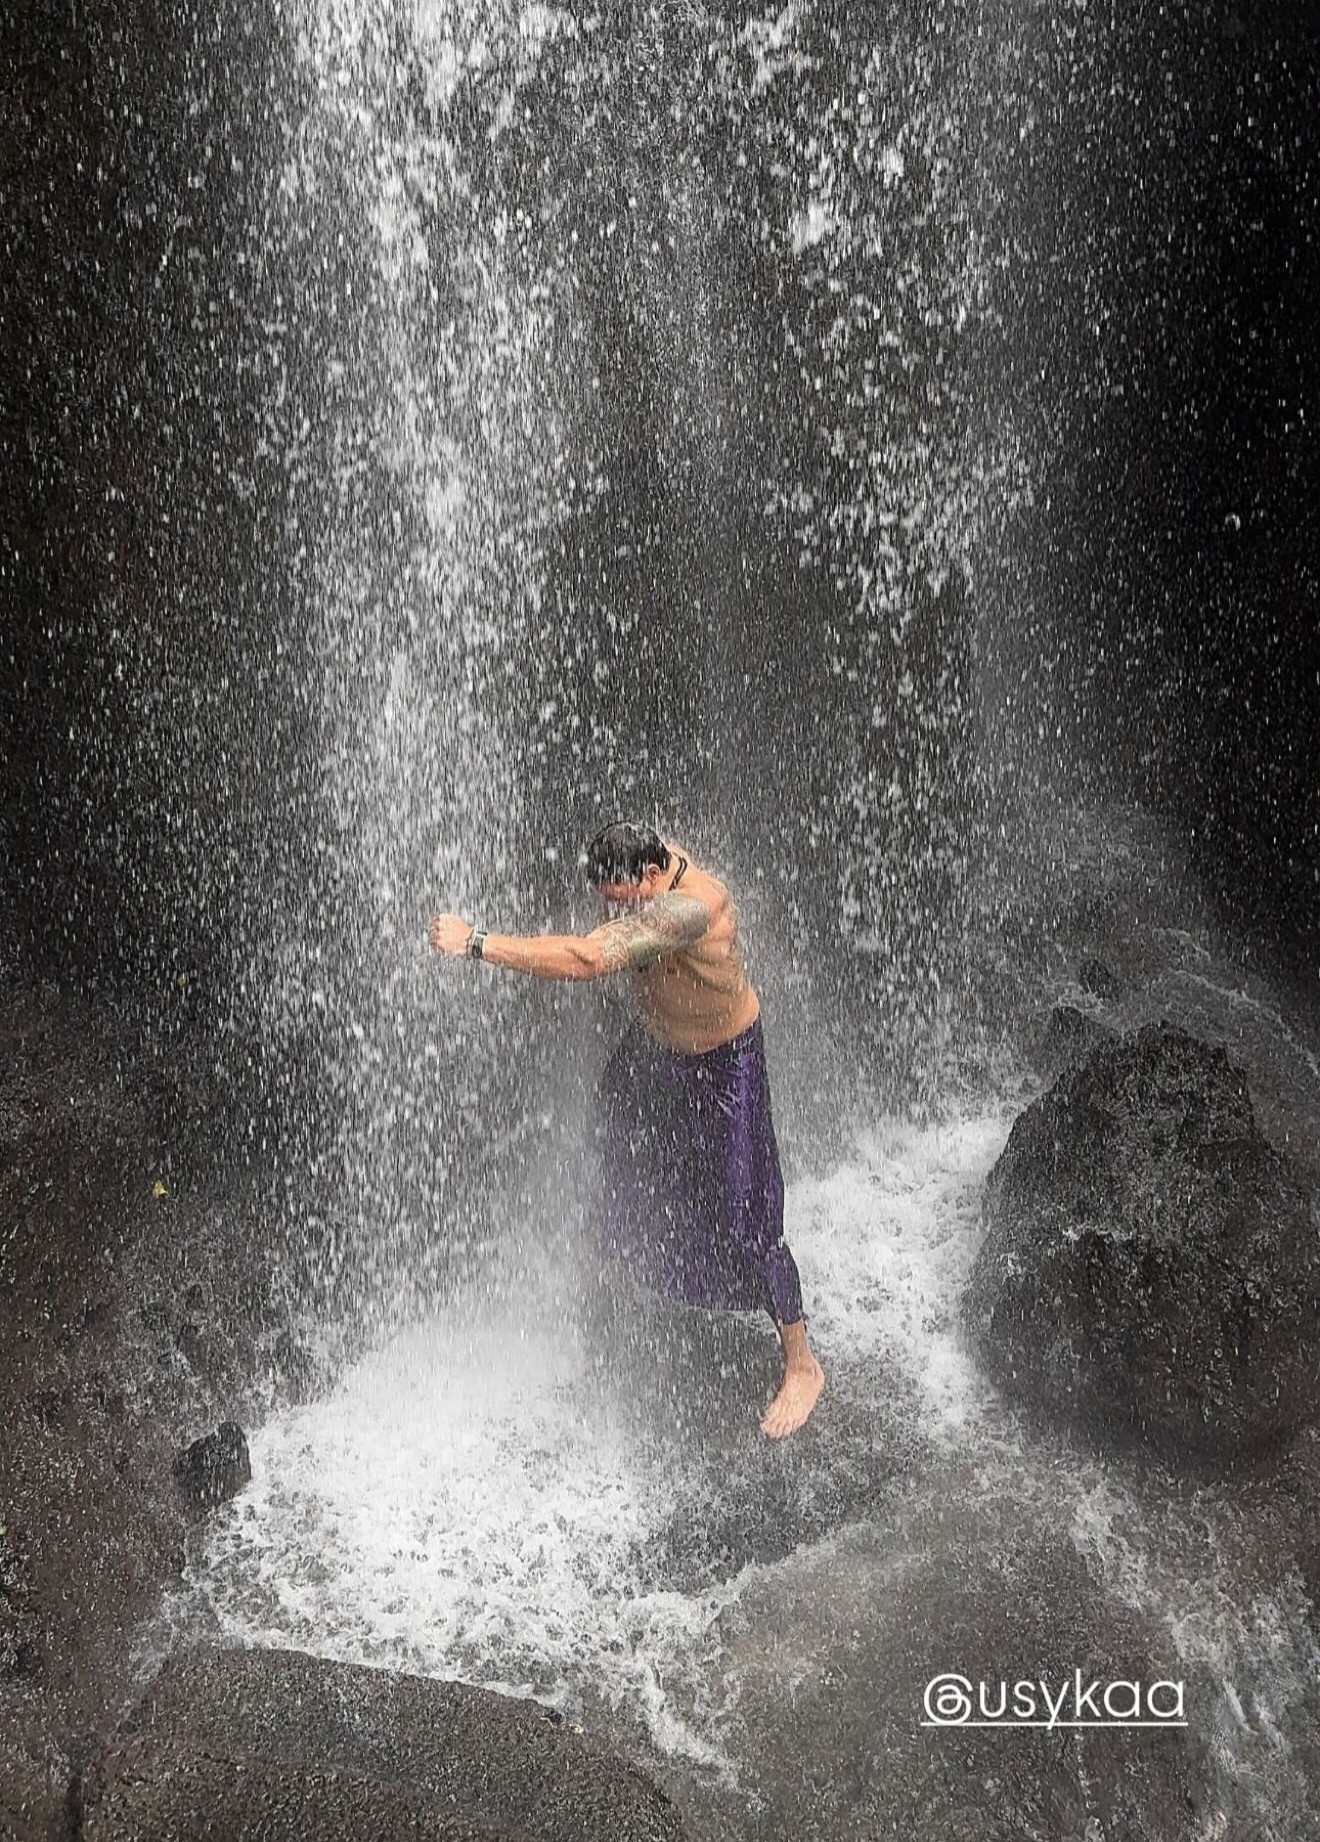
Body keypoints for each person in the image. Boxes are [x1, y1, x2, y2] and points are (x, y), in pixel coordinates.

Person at [428, 820, 825, 1439]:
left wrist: (476, 941)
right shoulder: (647, 864)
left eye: (624, 899)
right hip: (655, 1050)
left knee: (749, 1218)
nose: (617, 911)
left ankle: (801, 1363)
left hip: (724, 1066)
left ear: (653, 875)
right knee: (611, 1149)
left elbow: (589, 958)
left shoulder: (693, 908)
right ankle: (601, 1275)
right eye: (609, 902)